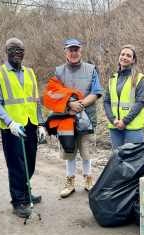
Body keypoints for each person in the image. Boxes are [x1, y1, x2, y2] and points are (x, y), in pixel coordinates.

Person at [0, 38, 45, 219]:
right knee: (16, 165)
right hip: (12, 128)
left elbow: (35, 100)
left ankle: (26, 192)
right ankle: (18, 201)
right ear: (6, 51)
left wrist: (41, 123)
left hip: (29, 125)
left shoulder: (29, 73)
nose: (17, 52)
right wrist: (10, 122)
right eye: (13, 49)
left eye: (20, 49)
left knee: (29, 163)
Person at [48, 39, 102, 198]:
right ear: (65, 53)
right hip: (66, 118)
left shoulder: (91, 69)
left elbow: (96, 92)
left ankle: (88, 180)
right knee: (69, 151)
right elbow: (54, 93)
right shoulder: (59, 71)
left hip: (86, 118)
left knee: (86, 152)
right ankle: (70, 182)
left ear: (81, 52)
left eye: (76, 50)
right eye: (70, 50)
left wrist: (79, 104)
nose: (73, 53)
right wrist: (69, 105)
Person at [103, 45, 144, 150]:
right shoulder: (112, 78)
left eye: (128, 55)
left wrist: (125, 121)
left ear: (133, 60)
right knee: (118, 159)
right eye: (122, 54)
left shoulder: (139, 78)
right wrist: (113, 120)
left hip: (133, 126)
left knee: (136, 158)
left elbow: (140, 102)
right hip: (115, 125)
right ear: (119, 57)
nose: (124, 57)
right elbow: (106, 101)